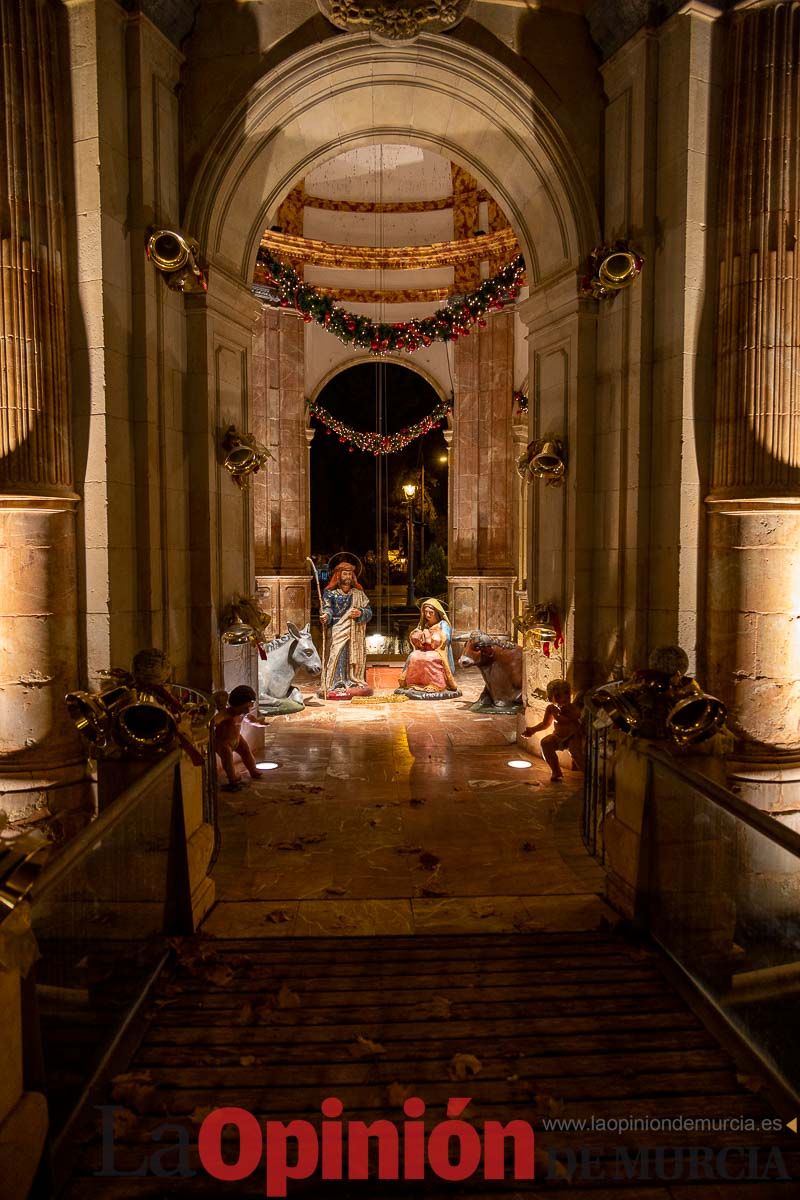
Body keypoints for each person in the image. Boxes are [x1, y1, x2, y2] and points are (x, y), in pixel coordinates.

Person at [320, 562, 372, 694]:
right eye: (345, 573)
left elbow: (369, 612)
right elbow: (327, 609)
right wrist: (326, 616)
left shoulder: (358, 593)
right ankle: (335, 682)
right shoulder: (330, 593)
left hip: (354, 629)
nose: (348, 576)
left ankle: (352, 680)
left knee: (352, 654)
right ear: (338, 575)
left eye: (350, 573)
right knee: (337, 654)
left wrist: (360, 613)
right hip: (337, 629)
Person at [396, 598, 461, 698]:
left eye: (430, 612)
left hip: (438, 651)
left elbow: (446, 638)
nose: (427, 615)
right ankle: (416, 682)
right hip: (424, 650)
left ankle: (436, 684)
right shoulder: (424, 624)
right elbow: (415, 634)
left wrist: (435, 637)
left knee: (430, 659)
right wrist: (417, 636)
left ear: (437, 613)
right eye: (425, 612)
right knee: (414, 656)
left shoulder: (443, 624)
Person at [523, 678, 584, 781]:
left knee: (575, 752)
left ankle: (590, 775)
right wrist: (532, 730)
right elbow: (545, 724)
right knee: (546, 743)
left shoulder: (571, 708)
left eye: (566, 693)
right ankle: (556, 771)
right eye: (559, 696)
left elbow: (574, 717)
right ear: (552, 698)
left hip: (573, 735)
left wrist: (561, 713)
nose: (564, 698)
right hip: (558, 736)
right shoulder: (551, 709)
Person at [213, 684, 263, 790]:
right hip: (223, 742)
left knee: (246, 752)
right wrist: (212, 722)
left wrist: (258, 722)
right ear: (236, 705)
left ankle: (253, 770)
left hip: (237, 739)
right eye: (245, 707)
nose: (247, 710)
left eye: (250, 706)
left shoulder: (242, 713)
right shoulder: (227, 713)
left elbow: (250, 718)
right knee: (227, 759)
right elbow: (216, 719)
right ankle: (232, 778)